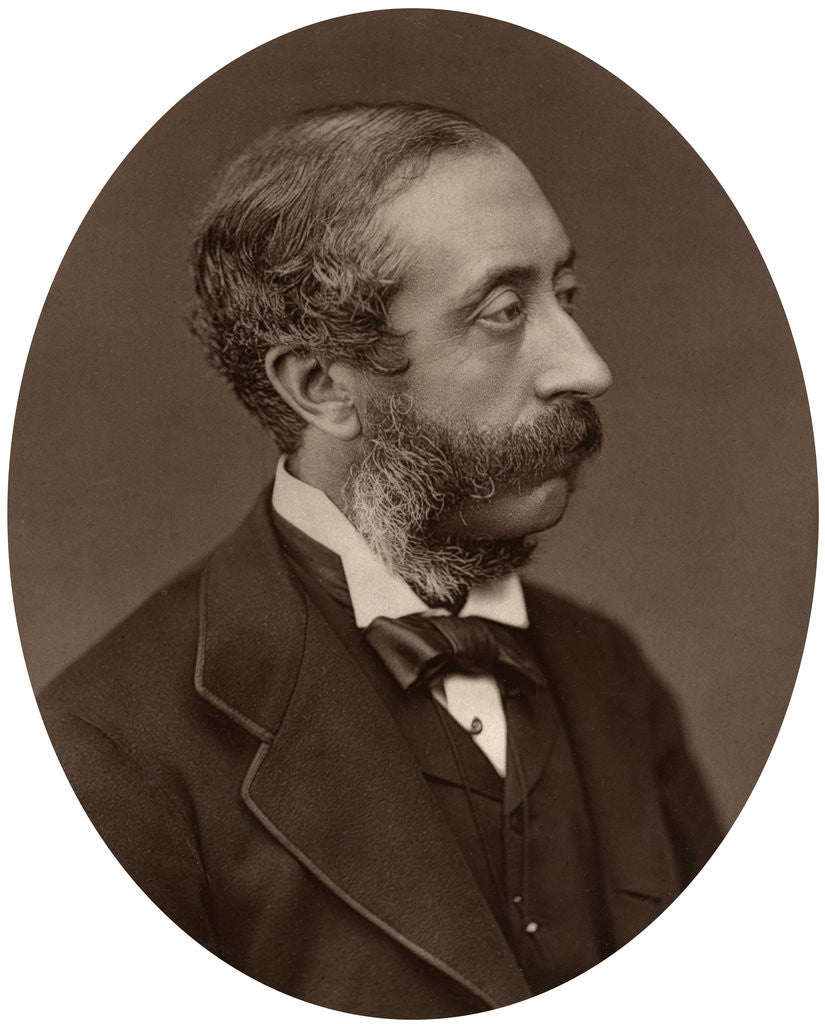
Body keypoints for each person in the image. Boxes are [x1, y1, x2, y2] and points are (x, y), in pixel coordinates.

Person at [38, 102, 721, 1017]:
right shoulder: (109, 754)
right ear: (322, 386)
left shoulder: (610, 672)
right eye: (503, 312)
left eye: (565, 293)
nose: (586, 367)